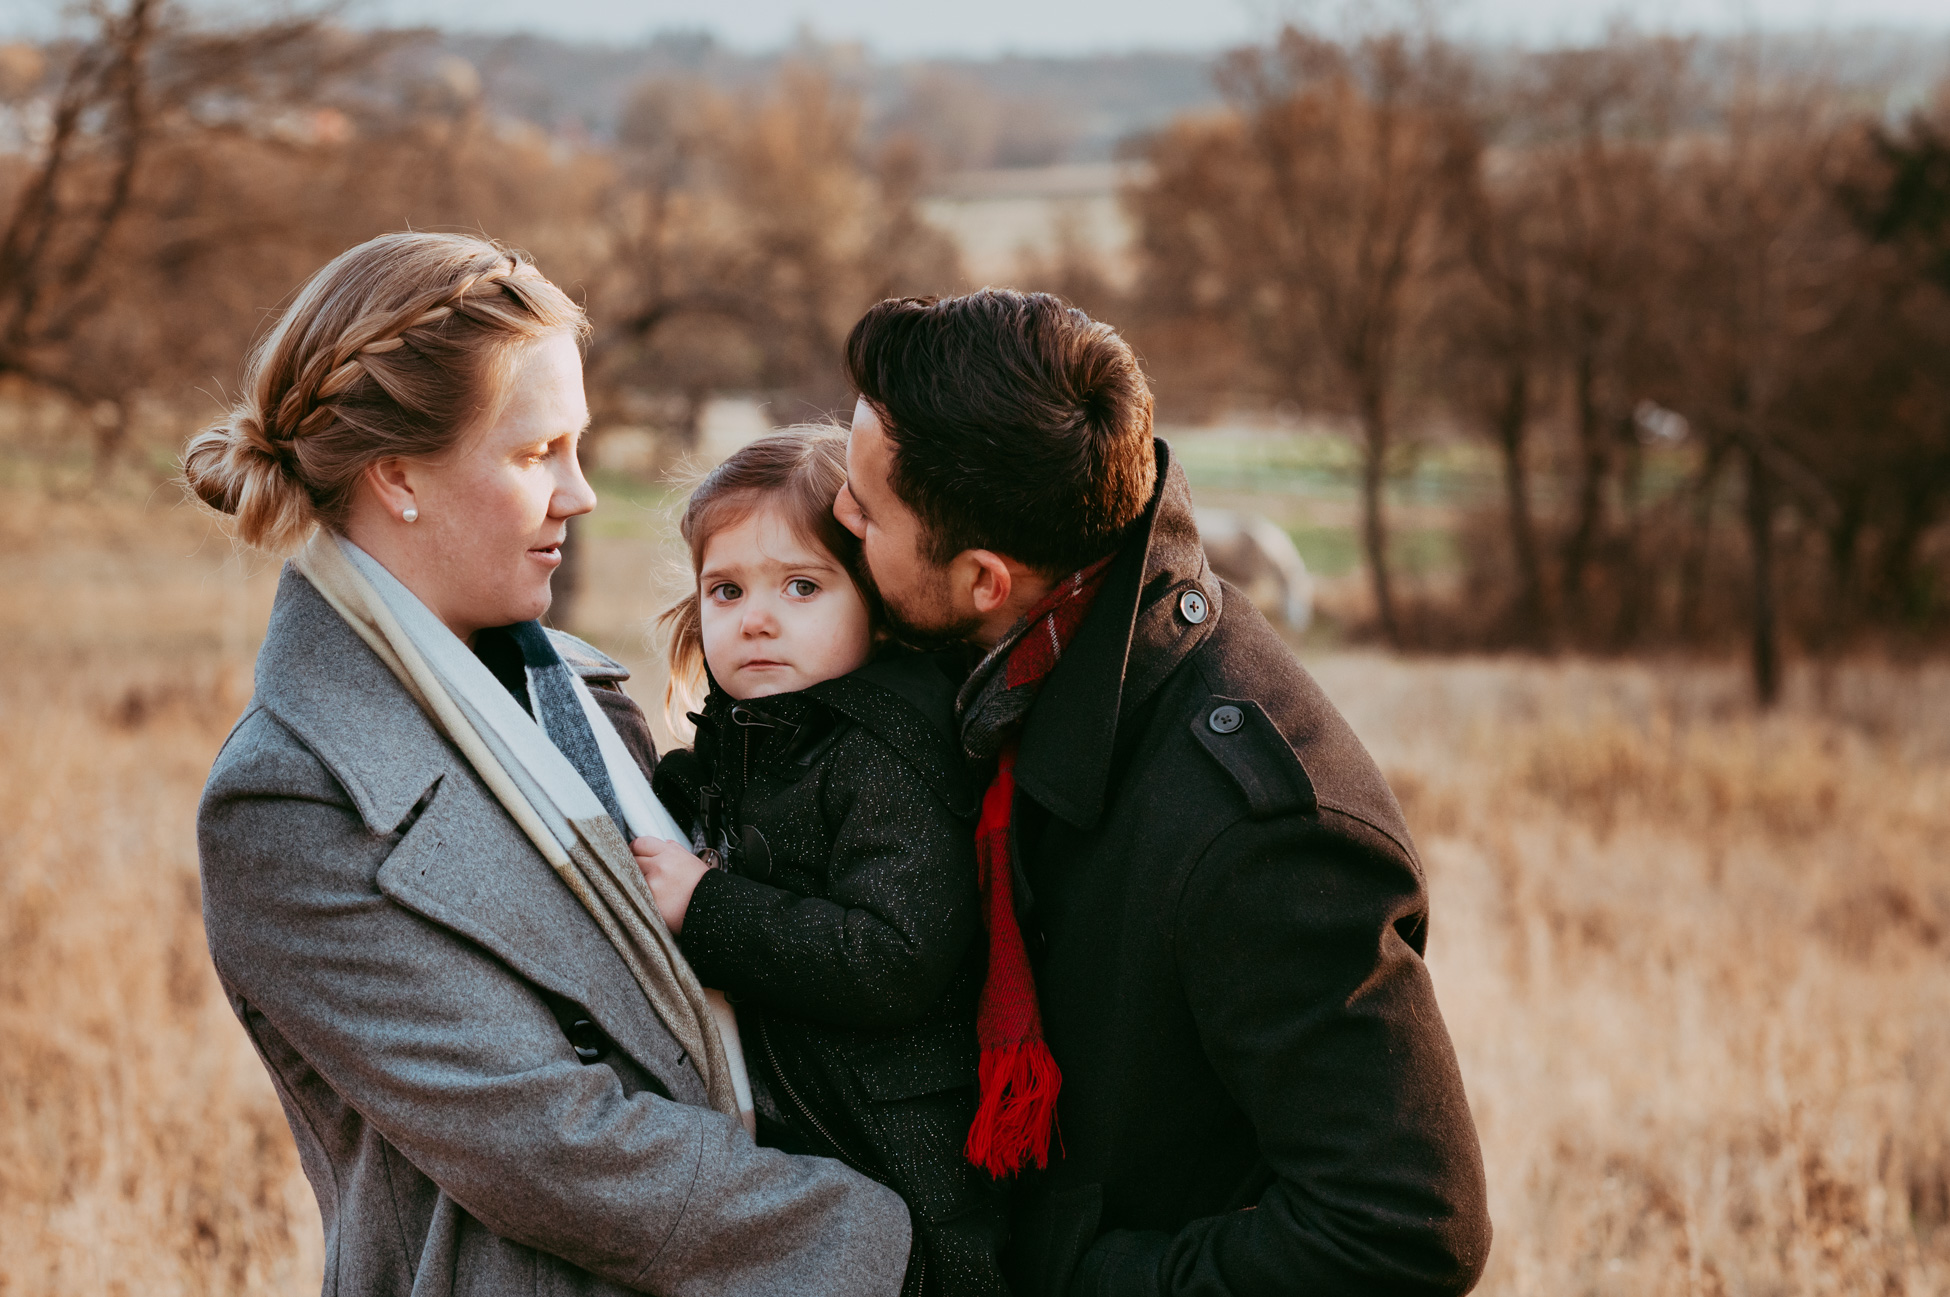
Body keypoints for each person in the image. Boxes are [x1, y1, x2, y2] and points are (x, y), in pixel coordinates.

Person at [184, 232, 911, 1297]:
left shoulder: (582, 697)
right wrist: (886, 1238)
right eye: (537, 455)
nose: (580, 494)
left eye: (581, 448)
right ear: (399, 478)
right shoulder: (294, 799)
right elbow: (553, 1147)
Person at [831, 289, 1494, 1297]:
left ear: (982, 580)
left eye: (867, 510)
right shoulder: (1013, 675)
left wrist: (1085, 1277)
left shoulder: (1257, 830)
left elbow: (1405, 1228)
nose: (837, 519)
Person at [632, 430, 1010, 1296]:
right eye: (726, 590)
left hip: (903, 1166)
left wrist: (711, 906)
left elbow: (893, 955)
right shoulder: (755, 736)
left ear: (876, 604)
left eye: (802, 586)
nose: (756, 617)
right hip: (803, 1152)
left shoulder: (886, 753)